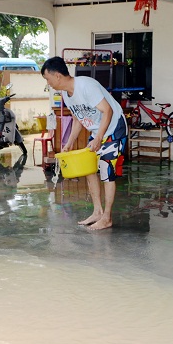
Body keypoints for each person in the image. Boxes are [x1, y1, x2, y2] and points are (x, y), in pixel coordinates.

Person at [41, 56, 127, 230]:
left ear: (57, 75)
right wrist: (70, 142)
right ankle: (97, 212)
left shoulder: (86, 85)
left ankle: (107, 217)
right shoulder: (66, 93)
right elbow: (78, 118)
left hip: (114, 128)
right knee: (89, 168)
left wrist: (98, 138)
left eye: (47, 79)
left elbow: (107, 111)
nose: (48, 83)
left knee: (106, 170)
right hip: (97, 130)